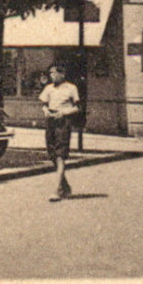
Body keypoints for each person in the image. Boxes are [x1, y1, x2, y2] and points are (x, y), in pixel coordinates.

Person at [39, 63, 81, 201]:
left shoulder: (71, 88)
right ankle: (65, 186)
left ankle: (57, 190)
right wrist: (45, 111)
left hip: (63, 121)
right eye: (51, 73)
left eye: (55, 73)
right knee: (52, 154)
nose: (52, 75)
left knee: (60, 155)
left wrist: (63, 113)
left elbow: (77, 107)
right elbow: (44, 104)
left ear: (62, 74)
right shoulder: (48, 88)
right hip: (51, 121)